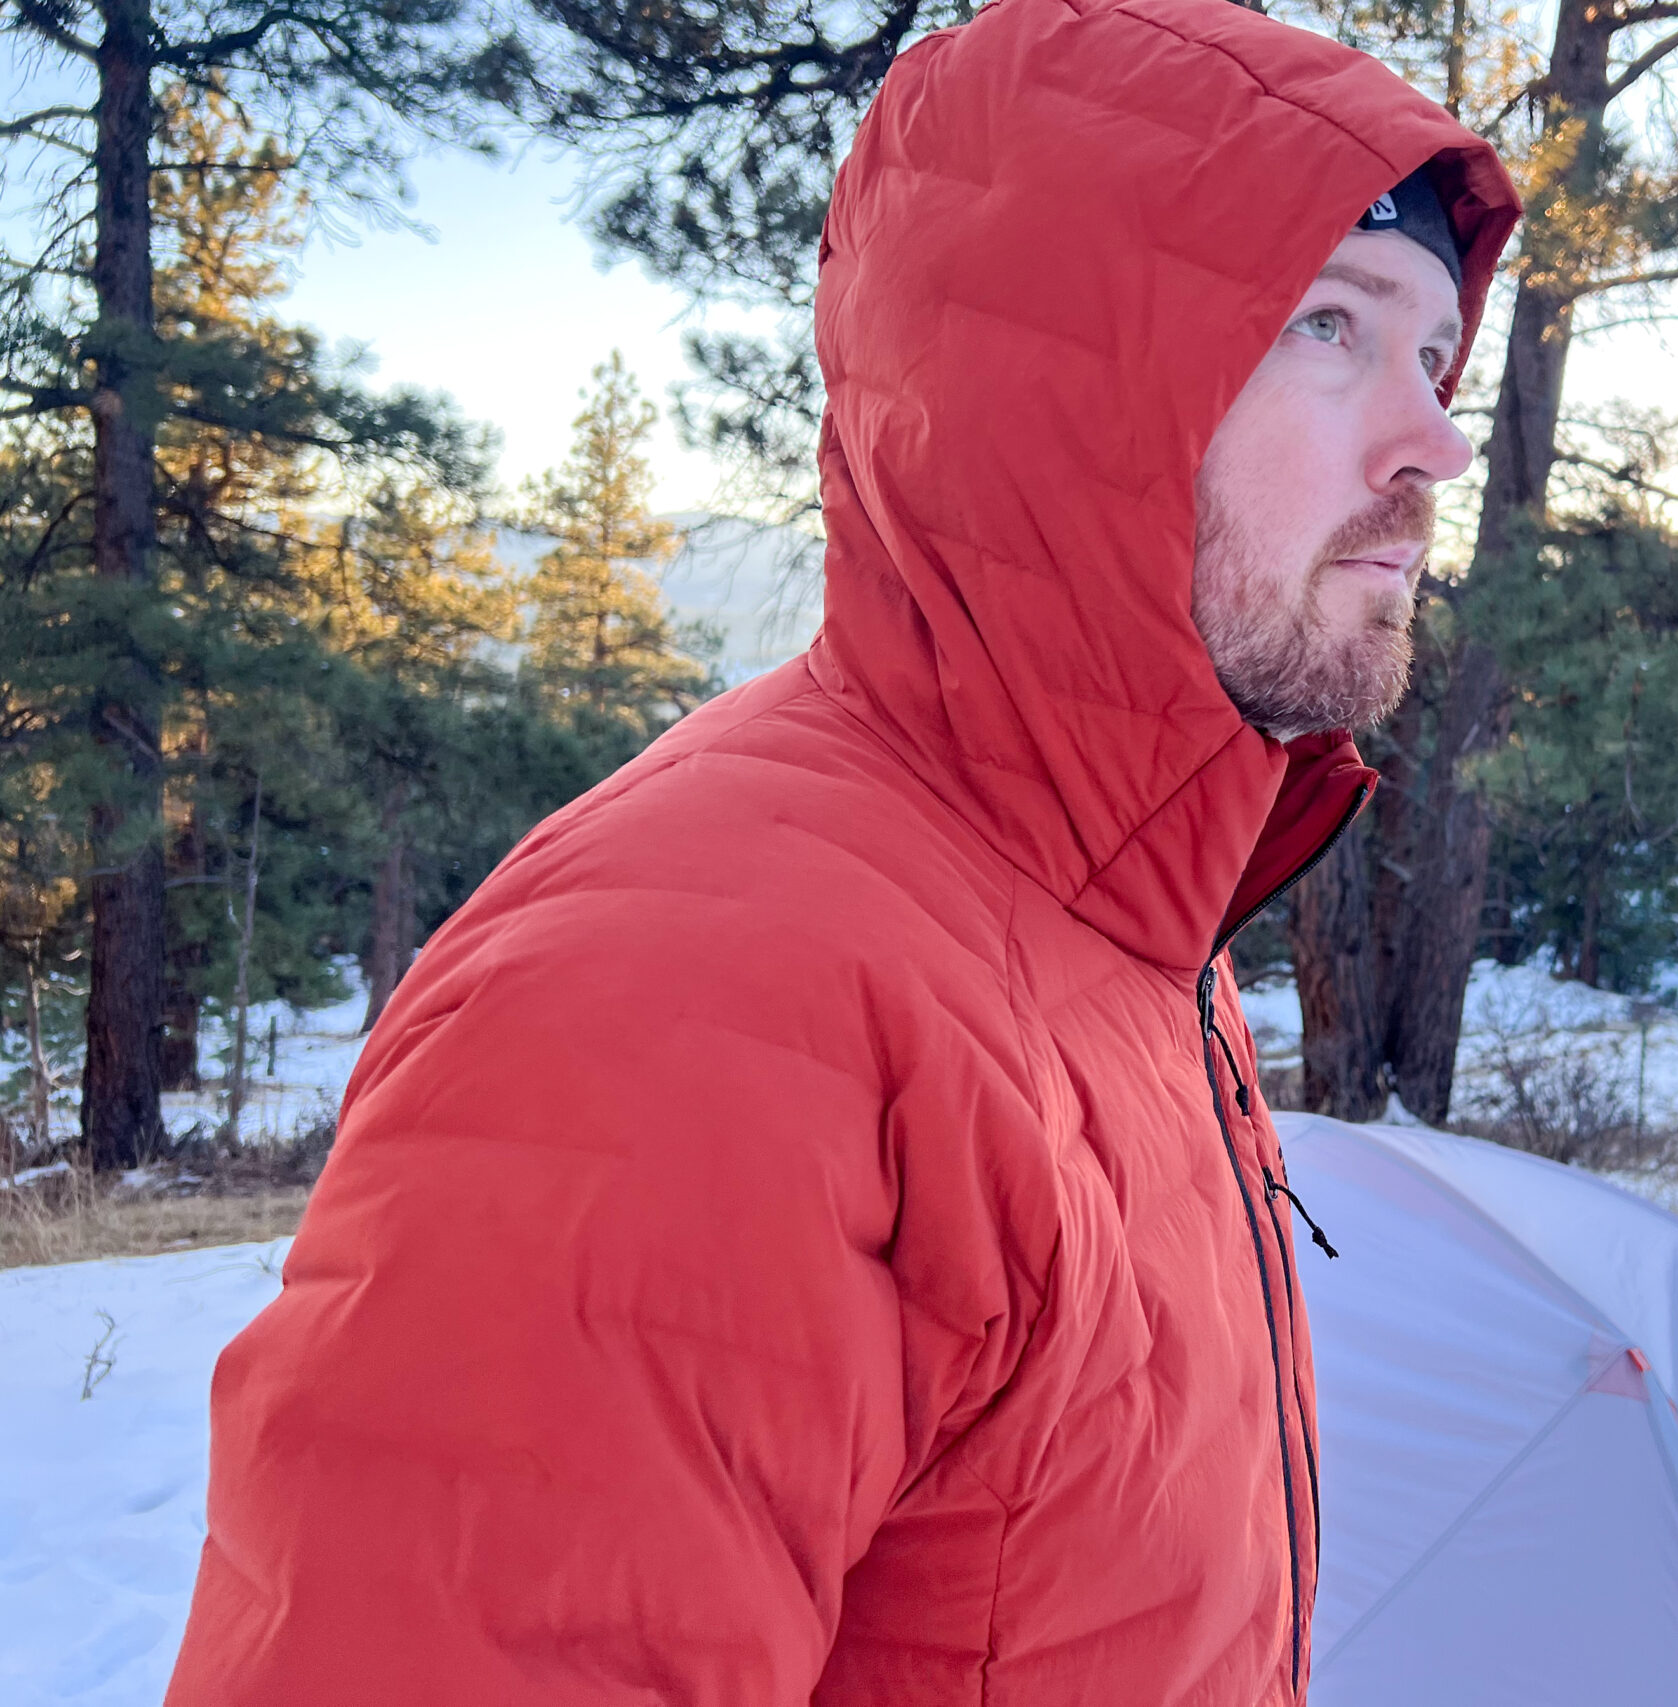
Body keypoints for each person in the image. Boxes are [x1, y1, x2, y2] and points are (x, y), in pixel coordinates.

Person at [163, 0, 1518, 1701]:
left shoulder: (1123, 930)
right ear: (1061, 394)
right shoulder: (683, 1006)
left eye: (1435, 355)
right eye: (1331, 323)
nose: (1436, 442)